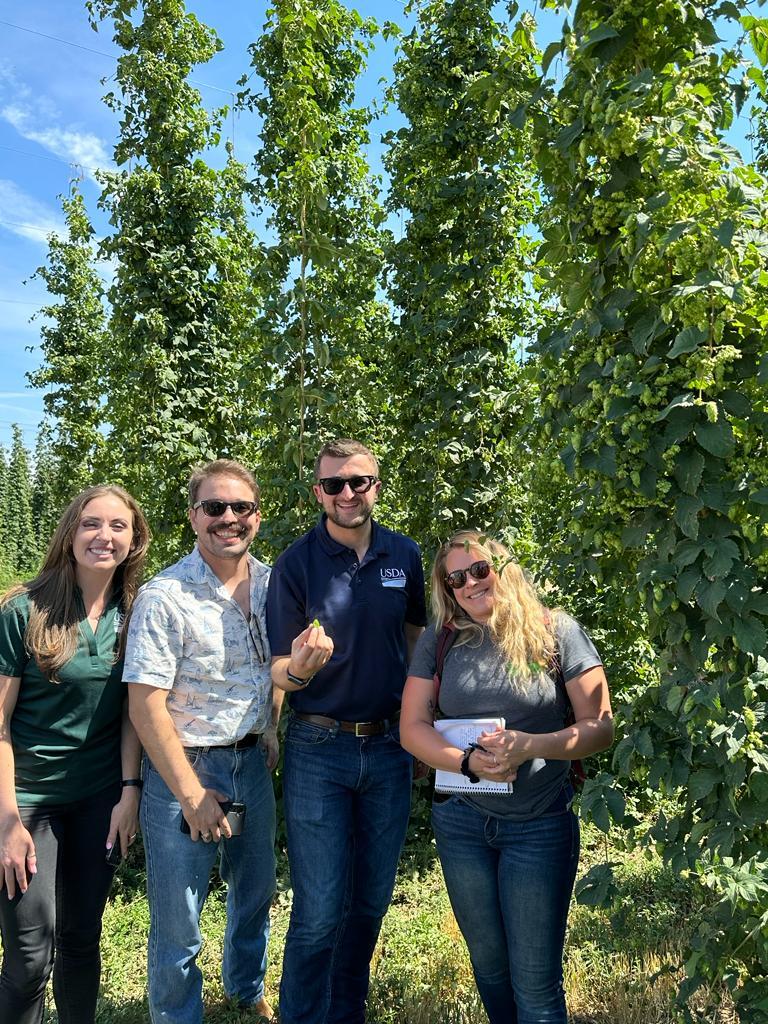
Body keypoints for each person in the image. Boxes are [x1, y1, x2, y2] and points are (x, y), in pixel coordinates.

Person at [400, 530, 614, 1024]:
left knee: (536, 984)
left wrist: (534, 746)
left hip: (538, 824)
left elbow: (601, 726)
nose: (470, 584)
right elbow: (412, 727)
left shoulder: (555, 631)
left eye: (480, 569)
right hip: (463, 824)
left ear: (505, 569)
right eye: (455, 578)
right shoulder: (441, 639)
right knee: (490, 969)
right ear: (446, 588)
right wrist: (468, 763)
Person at [124, 459, 291, 1024]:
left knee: (256, 892)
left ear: (257, 517)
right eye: (214, 507)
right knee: (179, 915)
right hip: (185, 770)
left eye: (240, 508)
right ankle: (176, 1015)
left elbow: (275, 668)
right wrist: (192, 793)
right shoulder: (165, 595)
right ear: (194, 516)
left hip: (250, 761)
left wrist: (270, 727)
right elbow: (145, 704)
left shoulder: (274, 586)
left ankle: (246, 990)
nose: (228, 518)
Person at [267, 438, 427, 1024]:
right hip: (318, 746)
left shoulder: (404, 556)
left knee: (368, 904)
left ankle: (346, 1013)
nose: (347, 494)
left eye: (358, 481)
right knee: (320, 907)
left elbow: (416, 643)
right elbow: (278, 667)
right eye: (334, 484)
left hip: (389, 745)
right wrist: (300, 671)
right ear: (318, 493)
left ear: (375, 486)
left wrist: (420, 727)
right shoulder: (295, 564)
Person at [0, 484, 150, 1024]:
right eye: (91, 523)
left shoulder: (136, 614)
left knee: (83, 938)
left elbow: (134, 714)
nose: (103, 536)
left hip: (98, 801)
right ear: (70, 532)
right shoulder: (24, 609)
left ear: (134, 540)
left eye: (117, 526)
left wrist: (129, 791)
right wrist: (7, 821)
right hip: (28, 804)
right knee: (30, 954)